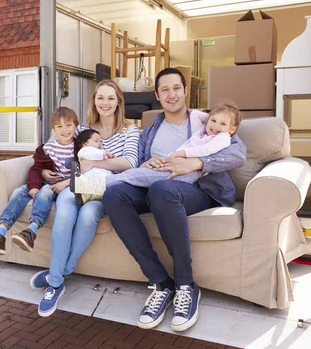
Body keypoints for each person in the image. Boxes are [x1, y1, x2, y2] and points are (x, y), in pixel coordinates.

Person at [103, 68, 246, 332]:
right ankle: (160, 283)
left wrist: (196, 162)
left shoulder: (208, 121)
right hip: (156, 184)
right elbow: (136, 163)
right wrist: (146, 161)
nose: (171, 94)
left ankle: (185, 285)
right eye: (165, 90)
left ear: (185, 90)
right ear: (157, 95)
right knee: (113, 194)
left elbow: (238, 153)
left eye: (176, 88)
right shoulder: (150, 129)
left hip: (196, 191)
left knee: (161, 190)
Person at [30, 80, 139, 317]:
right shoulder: (82, 130)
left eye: (111, 98)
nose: (105, 103)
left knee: (89, 215)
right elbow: (57, 148)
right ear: (94, 101)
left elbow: (129, 163)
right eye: (100, 98)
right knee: (64, 214)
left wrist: (93, 163)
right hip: (76, 185)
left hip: (106, 187)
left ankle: (56, 274)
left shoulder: (130, 131)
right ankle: (56, 282)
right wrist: (45, 170)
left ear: (119, 101)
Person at [70, 102, 242, 201]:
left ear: (232, 129)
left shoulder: (223, 138)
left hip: (191, 176)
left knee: (137, 176)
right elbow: (196, 115)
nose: (216, 126)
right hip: (171, 165)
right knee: (137, 176)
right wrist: (210, 119)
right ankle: (89, 192)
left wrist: (184, 156)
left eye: (223, 124)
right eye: (214, 120)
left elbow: (209, 150)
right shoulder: (204, 130)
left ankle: (88, 186)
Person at [0, 107, 79, 255]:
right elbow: (36, 168)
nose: (65, 130)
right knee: (19, 191)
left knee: (44, 193)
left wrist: (65, 182)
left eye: (69, 125)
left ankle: (30, 232)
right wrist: (33, 187)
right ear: (54, 129)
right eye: (59, 126)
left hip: (61, 187)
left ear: (76, 126)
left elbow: (85, 170)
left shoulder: (80, 148)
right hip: (43, 183)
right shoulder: (46, 148)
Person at [72, 129, 113, 204]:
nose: (99, 143)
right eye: (96, 141)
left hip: (101, 178)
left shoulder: (97, 151)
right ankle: (82, 196)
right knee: (94, 189)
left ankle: (84, 197)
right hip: (92, 177)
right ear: (85, 143)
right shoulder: (85, 150)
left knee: (98, 192)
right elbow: (94, 154)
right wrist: (105, 154)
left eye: (100, 141)